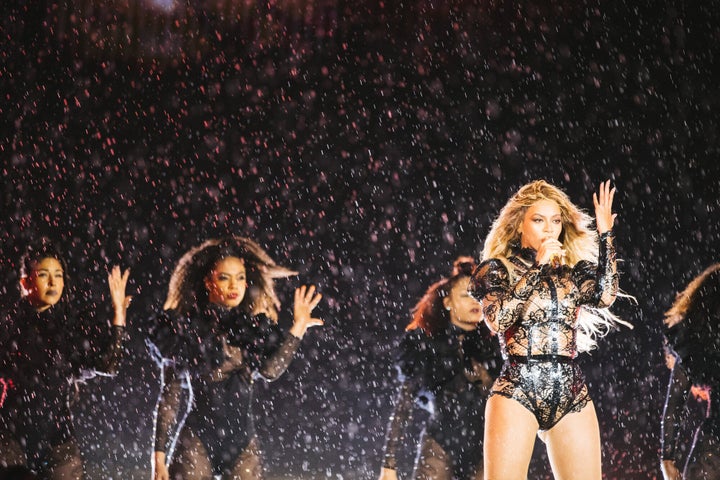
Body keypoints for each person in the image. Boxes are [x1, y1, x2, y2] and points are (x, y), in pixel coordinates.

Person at [468, 180, 630, 480]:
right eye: (539, 220)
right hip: (517, 388)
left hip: (570, 391)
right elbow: (498, 320)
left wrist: (606, 234)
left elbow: (605, 296)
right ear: (519, 225)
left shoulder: (573, 272)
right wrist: (537, 267)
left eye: (555, 221)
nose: (549, 229)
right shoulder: (497, 270)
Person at [149, 236, 323, 480]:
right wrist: (158, 457)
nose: (235, 286)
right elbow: (169, 396)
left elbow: (270, 371)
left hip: (243, 445)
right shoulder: (187, 329)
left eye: (240, 277)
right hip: (197, 442)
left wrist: (299, 328)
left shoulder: (252, 329)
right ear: (208, 281)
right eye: (224, 277)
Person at [0, 238, 131, 479]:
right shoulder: (9, 325)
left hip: (58, 439)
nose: (53, 282)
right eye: (43, 275)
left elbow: (109, 365)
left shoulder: (71, 327)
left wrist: (118, 317)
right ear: (25, 282)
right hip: (10, 436)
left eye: (58, 275)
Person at [378, 257, 503, 480]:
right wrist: (389, 464)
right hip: (441, 443)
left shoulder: (497, 347)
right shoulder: (426, 346)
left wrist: (485, 380)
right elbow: (404, 404)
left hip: (487, 447)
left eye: (477, 295)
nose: (474, 301)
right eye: (465, 295)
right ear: (448, 303)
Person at [661, 263, 720, 480]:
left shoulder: (698, 338)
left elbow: (675, 402)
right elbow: (675, 403)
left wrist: (667, 458)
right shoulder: (699, 339)